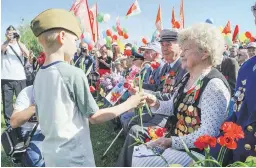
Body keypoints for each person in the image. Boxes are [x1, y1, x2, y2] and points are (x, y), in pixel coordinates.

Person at [30, 8, 146, 167]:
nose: (76, 45)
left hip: (51, 155)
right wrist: (130, 103)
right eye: (75, 40)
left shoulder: (39, 75)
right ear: (62, 37)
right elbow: (95, 116)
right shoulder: (72, 73)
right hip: (74, 156)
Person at [130, 23, 231, 167]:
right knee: (139, 151)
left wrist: (171, 142)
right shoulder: (187, 78)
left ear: (205, 52)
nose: (181, 53)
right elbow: (172, 107)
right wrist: (155, 103)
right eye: (182, 48)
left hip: (198, 155)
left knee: (142, 160)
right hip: (180, 145)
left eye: (187, 49)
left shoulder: (213, 85)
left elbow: (208, 134)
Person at [116, 29, 187, 166]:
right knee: (129, 121)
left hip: (168, 116)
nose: (164, 49)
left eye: (168, 45)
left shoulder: (183, 67)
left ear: (179, 46)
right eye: (162, 45)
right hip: (157, 109)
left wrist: (145, 93)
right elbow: (158, 88)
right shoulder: (167, 66)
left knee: (134, 128)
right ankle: (133, 157)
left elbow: (172, 97)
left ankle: (132, 161)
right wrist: (139, 87)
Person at [1, 25, 29, 127]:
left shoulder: (20, 44)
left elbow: (27, 54)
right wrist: (8, 40)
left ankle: (24, 123)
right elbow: (2, 49)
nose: (11, 35)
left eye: (13, 33)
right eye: (9, 33)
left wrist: (18, 40)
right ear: (6, 34)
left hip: (20, 78)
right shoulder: (3, 44)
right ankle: (9, 125)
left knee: (22, 101)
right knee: (7, 103)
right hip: (6, 78)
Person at [10, 86, 45, 167]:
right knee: (38, 161)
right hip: (32, 132)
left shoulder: (59, 92)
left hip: (53, 131)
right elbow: (14, 122)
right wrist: (35, 106)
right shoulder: (28, 92)